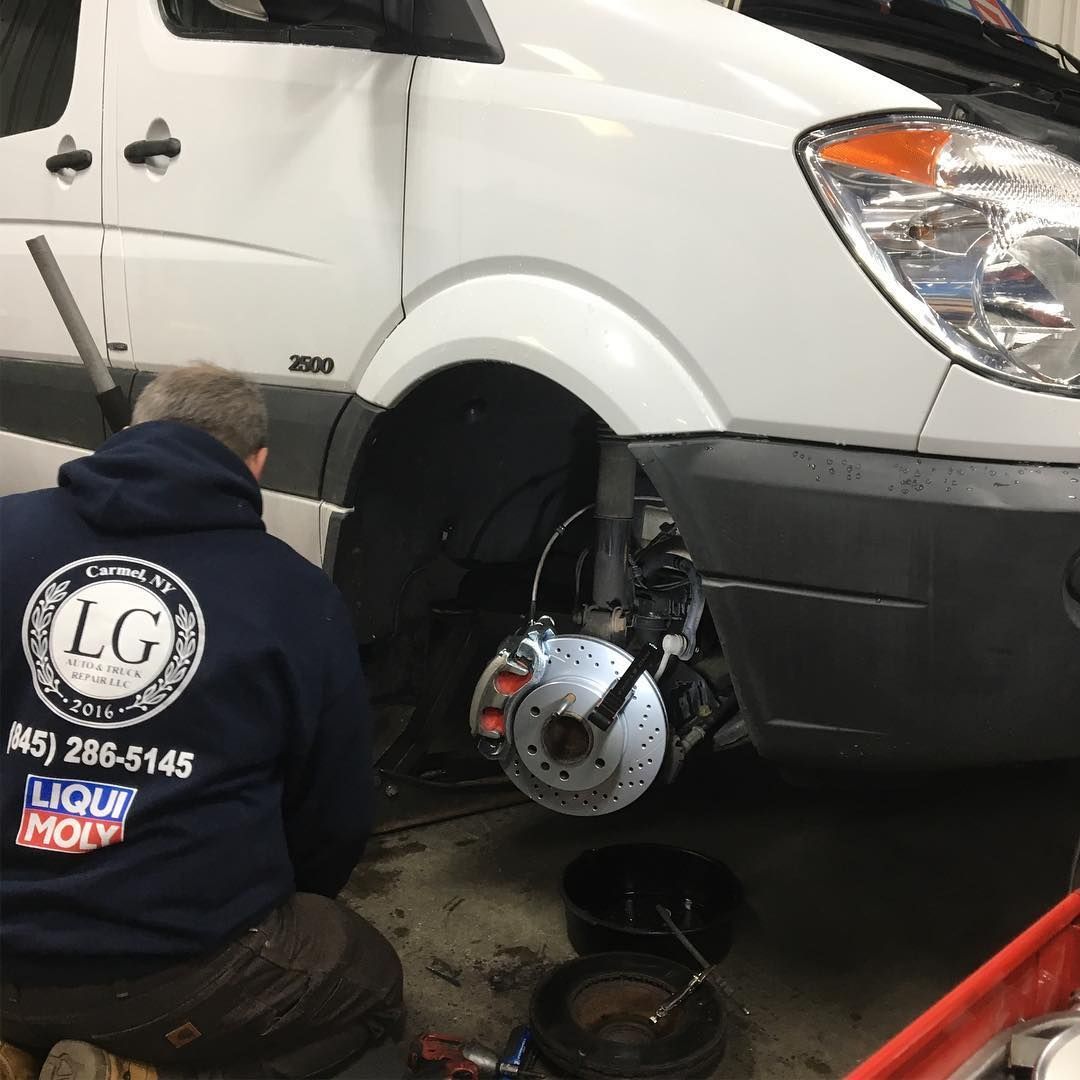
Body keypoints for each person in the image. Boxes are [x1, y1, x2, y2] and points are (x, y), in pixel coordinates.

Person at [0, 364, 403, 1080]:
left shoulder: (6, 530)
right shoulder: (293, 593)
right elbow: (333, 817)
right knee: (367, 976)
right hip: (160, 980)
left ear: (130, 435)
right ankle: (139, 1070)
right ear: (257, 463)